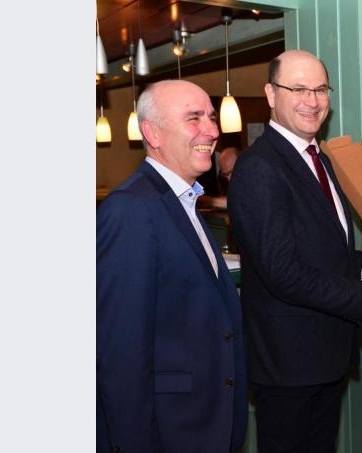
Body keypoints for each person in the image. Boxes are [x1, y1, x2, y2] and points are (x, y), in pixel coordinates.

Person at [226, 49, 362, 453]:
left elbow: (326, 256)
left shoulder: (320, 159)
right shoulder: (260, 168)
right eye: (299, 88)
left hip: (326, 355)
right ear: (271, 94)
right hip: (288, 364)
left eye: (321, 89)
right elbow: (284, 273)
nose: (313, 100)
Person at [96, 80, 248, 452]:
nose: (212, 131)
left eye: (211, 118)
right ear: (153, 133)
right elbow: (120, 350)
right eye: (193, 118)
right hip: (170, 429)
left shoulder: (184, 200)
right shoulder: (131, 208)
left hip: (206, 422)